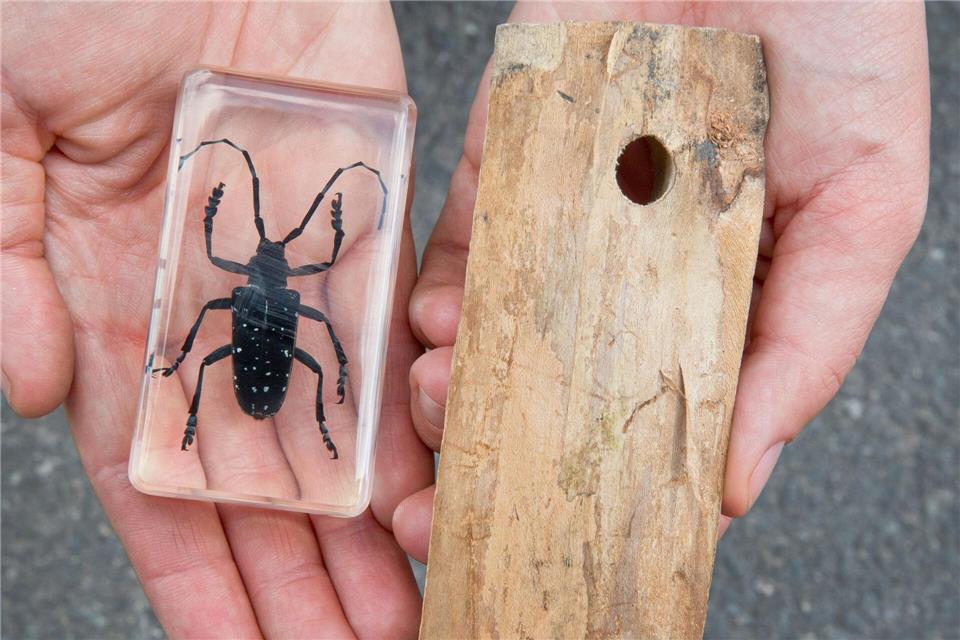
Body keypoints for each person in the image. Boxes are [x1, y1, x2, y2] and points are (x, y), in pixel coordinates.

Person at [1, 2, 929, 638]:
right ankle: (266, 417)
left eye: (272, 252)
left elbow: (229, 268)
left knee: (224, 354)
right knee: (284, 362)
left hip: (256, 353)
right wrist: (326, 370)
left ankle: (233, 416)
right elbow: (297, 291)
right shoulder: (293, 292)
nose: (276, 257)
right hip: (274, 361)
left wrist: (234, 245)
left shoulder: (248, 289)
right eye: (269, 252)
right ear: (275, 273)